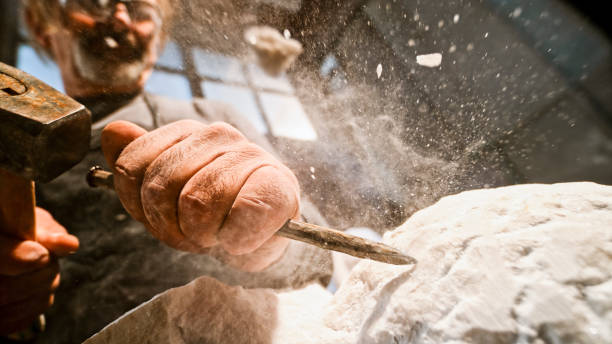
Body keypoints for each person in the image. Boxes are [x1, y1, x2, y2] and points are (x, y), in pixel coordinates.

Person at [0, 0, 331, 342]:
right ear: (43, 27)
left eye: (140, 10)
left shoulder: (214, 114)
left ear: (156, 43)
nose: (119, 16)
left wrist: (271, 242)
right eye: (96, 3)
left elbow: (320, 260)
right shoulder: (15, 151)